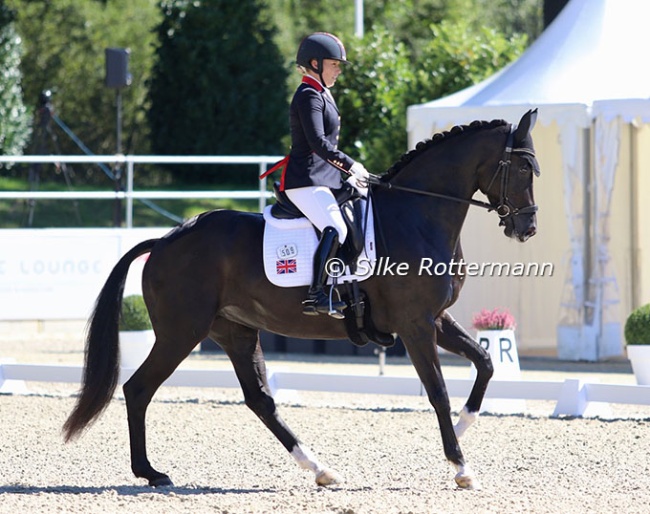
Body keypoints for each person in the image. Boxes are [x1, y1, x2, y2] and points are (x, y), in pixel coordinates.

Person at [281, 32, 370, 318]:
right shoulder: (308, 95)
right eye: (335, 64)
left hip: (324, 179)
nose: (339, 70)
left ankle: (343, 284)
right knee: (337, 229)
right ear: (315, 63)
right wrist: (351, 165)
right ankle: (316, 295)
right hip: (306, 179)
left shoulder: (320, 92)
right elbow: (319, 145)